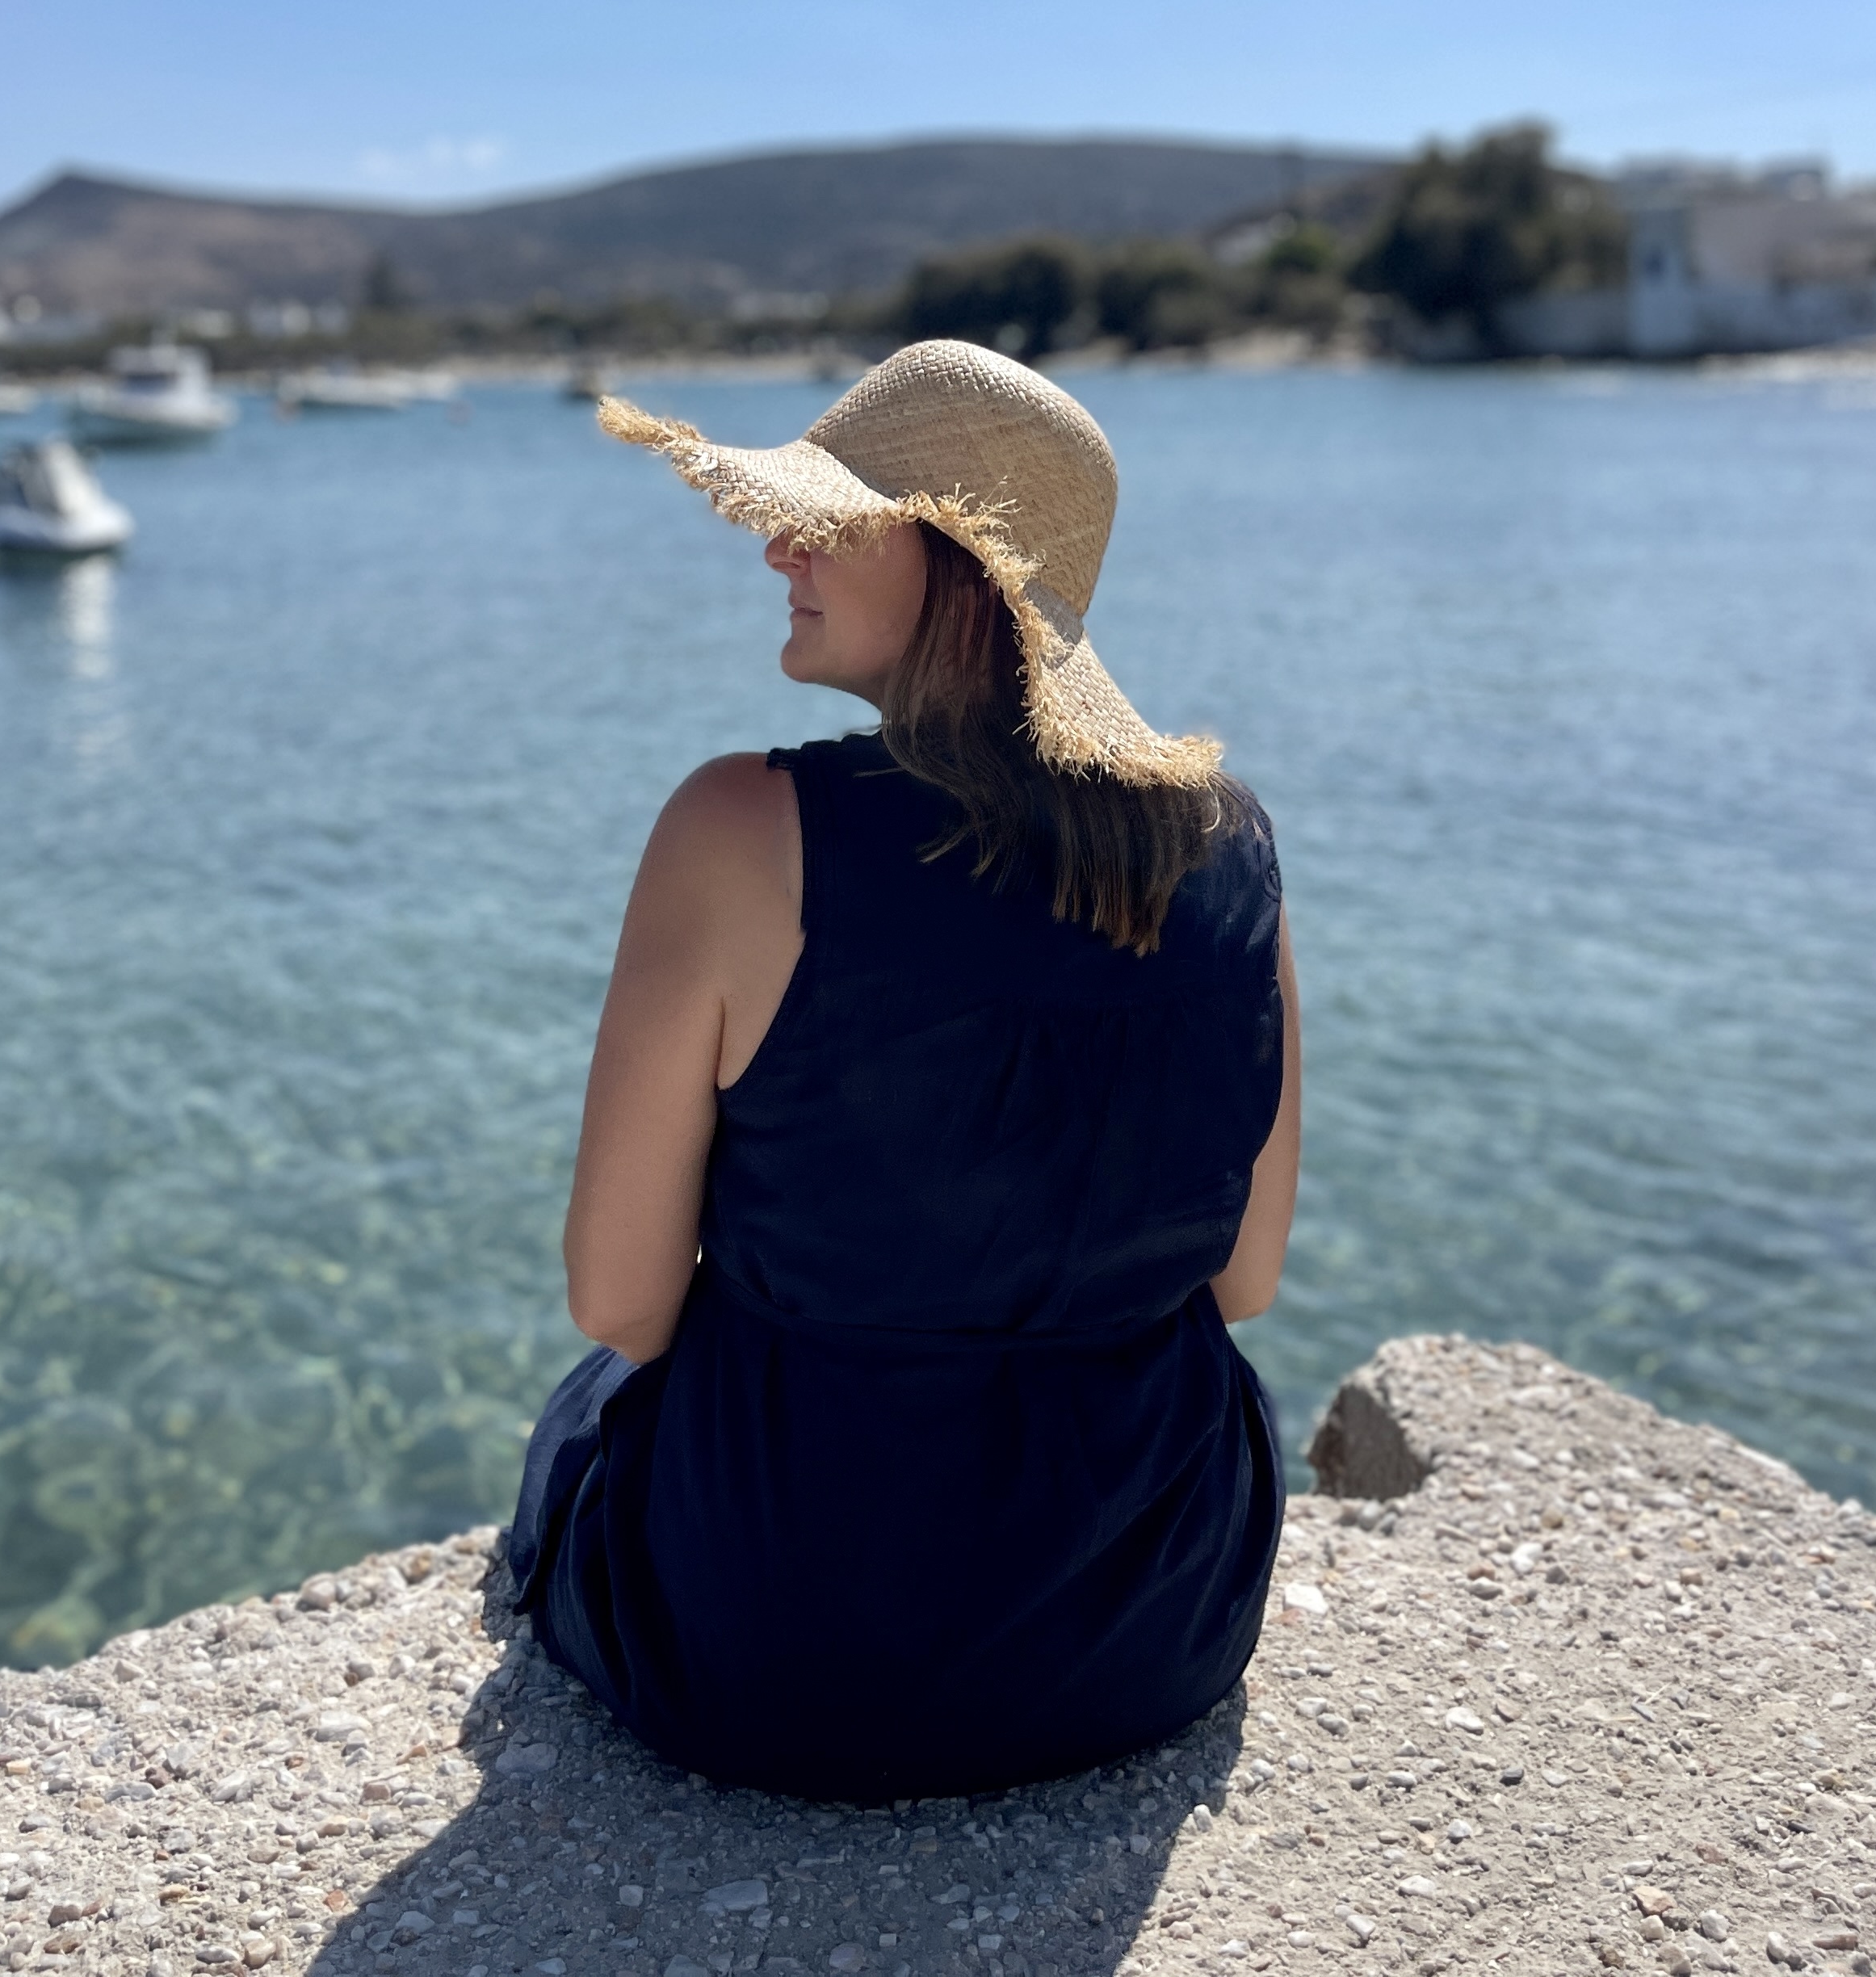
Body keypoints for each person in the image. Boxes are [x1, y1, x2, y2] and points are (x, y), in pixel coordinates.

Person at [506, 338, 1299, 1803]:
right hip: (1155, 1622)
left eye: (827, 516)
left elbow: (619, 1300)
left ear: (956, 564)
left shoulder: (743, 829)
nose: (775, 550)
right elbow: (1243, 1283)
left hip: (784, 1653)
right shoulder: (1227, 838)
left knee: (582, 1405)